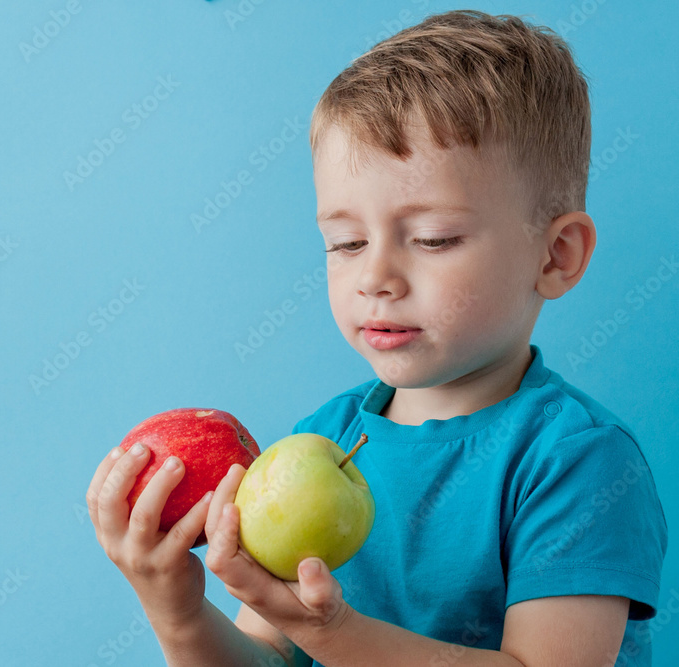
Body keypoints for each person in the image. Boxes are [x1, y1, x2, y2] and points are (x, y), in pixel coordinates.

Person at [86, 9, 668, 666]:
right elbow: (267, 658)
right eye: (347, 242)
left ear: (555, 256)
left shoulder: (578, 461)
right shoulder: (319, 440)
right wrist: (177, 607)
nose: (376, 276)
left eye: (432, 239)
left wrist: (334, 633)